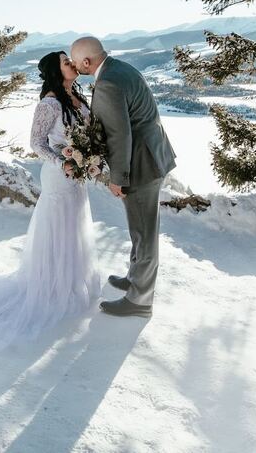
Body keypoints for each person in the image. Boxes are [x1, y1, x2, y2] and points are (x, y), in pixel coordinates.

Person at [0, 51, 102, 354]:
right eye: (66, 62)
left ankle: (71, 283)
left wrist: (89, 158)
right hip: (58, 176)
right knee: (58, 228)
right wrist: (61, 161)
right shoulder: (49, 103)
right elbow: (36, 143)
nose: (72, 65)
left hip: (76, 179)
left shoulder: (76, 97)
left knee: (74, 226)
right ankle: (50, 287)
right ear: (56, 70)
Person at [70, 36, 176, 318]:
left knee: (144, 233)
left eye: (76, 61)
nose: (74, 65)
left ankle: (140, 301)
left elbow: (119, 135)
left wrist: (118, 178)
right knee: (138, 229)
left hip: (142, 165)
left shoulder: (107, 83)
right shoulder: (120, 67)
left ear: (88, 62)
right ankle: (135, 278)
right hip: (151, 155)